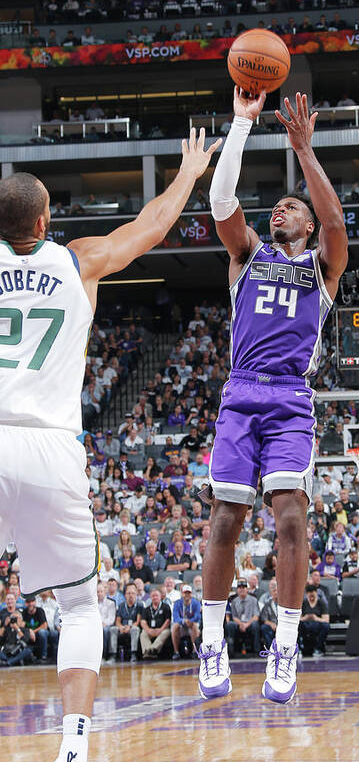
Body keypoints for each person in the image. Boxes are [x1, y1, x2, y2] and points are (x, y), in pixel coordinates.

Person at [0, 135, 220, 762]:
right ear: (46, 222)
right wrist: (188, 173)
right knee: (77, 605)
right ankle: (73, 746)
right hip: (50, 446)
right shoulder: (78, 260)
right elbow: (152, 226)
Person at [197, 88, 347, 705]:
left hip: (290, 397)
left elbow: (337, 224)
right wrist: (241, 125)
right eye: (278, 204)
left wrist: (305, 152)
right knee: (226, 518)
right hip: (240, 393)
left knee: (290, 515)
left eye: (292, 207)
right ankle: (213, 641)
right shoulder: (247, 254)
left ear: (305, 224)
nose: (280, 209)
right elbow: (221, 200)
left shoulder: (322, 266)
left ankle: (285, 643)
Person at [108, 582, 142, 663]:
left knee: (135, 629)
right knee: (113, 629)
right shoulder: (121, 605)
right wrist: (121, 627)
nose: (131, 595)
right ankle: (113, 655)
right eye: (128, 593)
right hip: (122, 627)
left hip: (132, 627)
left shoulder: (140, 605)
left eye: (133, 593)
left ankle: (133, 654)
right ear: (125, 595)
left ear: (136, 594)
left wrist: (129, 627)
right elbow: (118, 621)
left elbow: (138, 621)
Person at [225, 579, 261, 657]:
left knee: (255, 625)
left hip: (250, 623)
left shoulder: (254, 600)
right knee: (230, 625)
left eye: (244, 587)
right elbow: (234, 617)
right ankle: (231, 652)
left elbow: (256, 616)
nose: (242, 589)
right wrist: (241, 624)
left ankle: (257, 651)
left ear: (247, 589)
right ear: (237, 589)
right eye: (240, 587)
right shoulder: (234, 601)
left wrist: (246, 624)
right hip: (239, 624)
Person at [171, 584, 201, 659]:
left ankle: (195, 651)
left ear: (191, 594)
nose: (187, 595)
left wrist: (190, 621)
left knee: (195, 625)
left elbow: (198, 616)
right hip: (182, 625)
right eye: (185, 593)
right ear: (182, 593)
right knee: (174, 626)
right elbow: (176, 617)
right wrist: (184, 621)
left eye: (189, 593)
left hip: (192, 625)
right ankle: (176, 652)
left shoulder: (196, 603)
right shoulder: (177, 603)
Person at [139, 588, 171, 659]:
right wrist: (148, 630)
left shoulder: (165, 607)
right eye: (153, 596)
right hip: (150, 629)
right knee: (143, 633)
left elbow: (168, 620)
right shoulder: (147, 609)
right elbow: (143, 622)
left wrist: (160, 630)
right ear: (150, 597)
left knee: (166, 632)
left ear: (160, 597)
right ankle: (147, 651)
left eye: (156, 595)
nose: (155, 597)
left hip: (162, 629)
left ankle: (153, 649)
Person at [298, 584, 329, 657]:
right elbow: (298, 618)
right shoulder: (303, 603)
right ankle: (299, 648)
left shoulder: (322, 603)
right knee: (297, 626)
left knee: (326, 626)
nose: (311, 598)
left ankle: (318, 648)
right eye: (310, 596)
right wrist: (305, 618)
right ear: (307, 594)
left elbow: (326, 619)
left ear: (316, 593)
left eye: (313, 596)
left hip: (317, 624)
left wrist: (315, 618)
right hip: (305, 624)